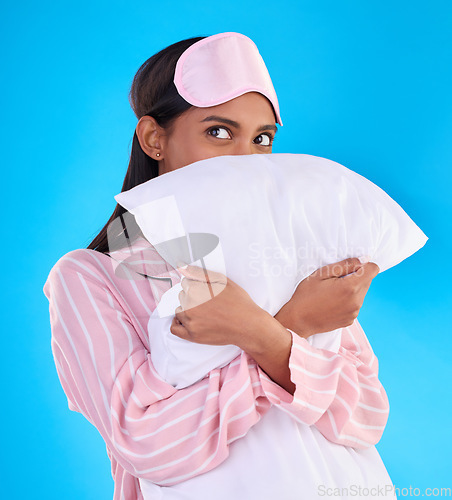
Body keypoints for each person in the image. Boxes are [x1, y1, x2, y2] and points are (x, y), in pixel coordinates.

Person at [43, 32, 395, 499]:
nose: (248, 160)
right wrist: (289, 328)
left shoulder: (293, 259)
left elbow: (367, 416)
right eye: (219, 132)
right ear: (154, 139)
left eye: (262, 139)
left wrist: (260, 332)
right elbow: (149, 446)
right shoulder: (94, 277)